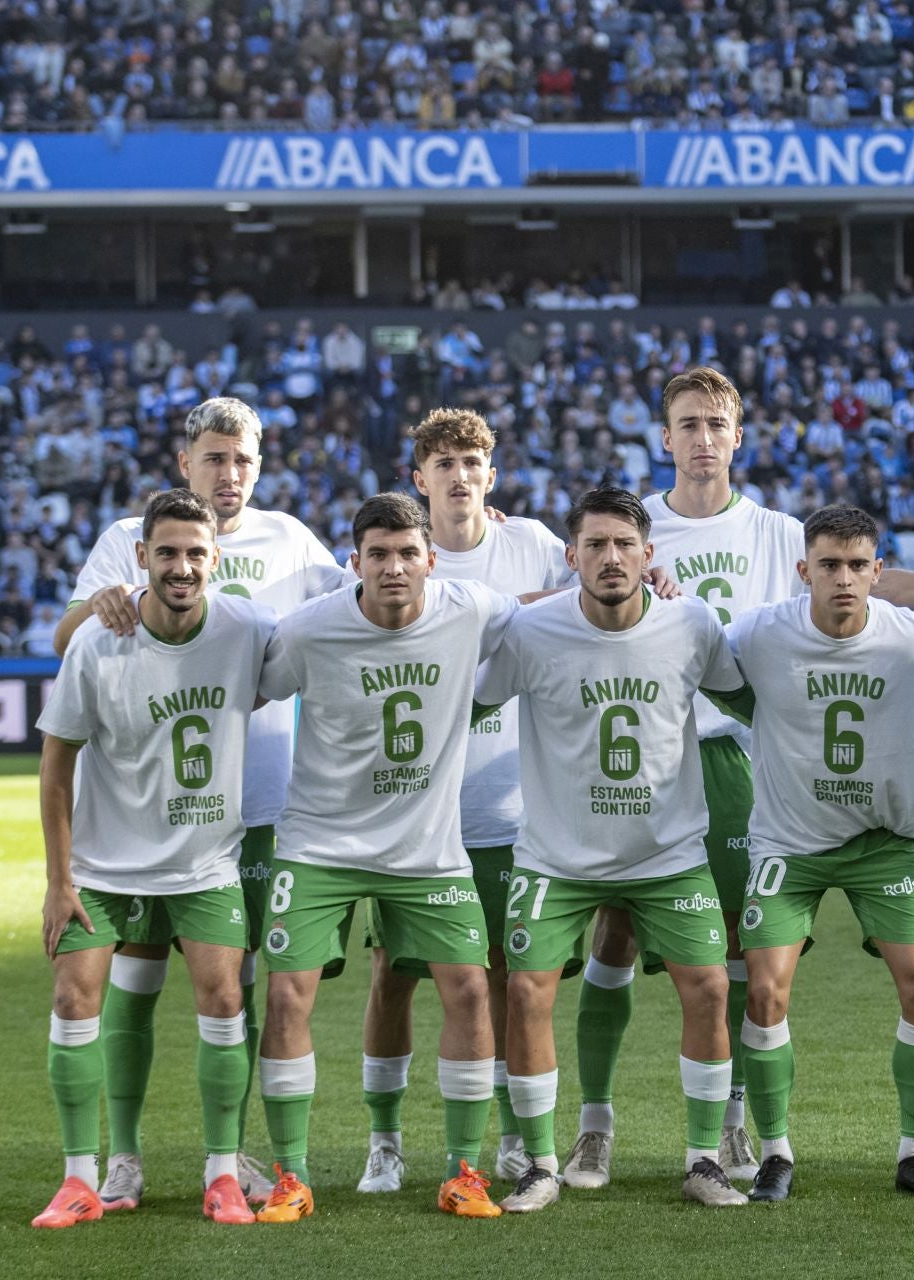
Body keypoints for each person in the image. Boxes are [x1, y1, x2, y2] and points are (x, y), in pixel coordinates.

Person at [567, 369, 914, 1191]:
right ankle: (594, 1128)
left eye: (717, 423)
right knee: (615, 936)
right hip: (642, 752)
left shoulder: (782, 533)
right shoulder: (631, 530)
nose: (703, 437)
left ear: (738, 436)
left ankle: (742, 1121)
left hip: (738, 756)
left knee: (749, 959)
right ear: (663, 436)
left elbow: (878, 588)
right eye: (688, 424)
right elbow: (566, 592)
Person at [56, 397, 349, 1209]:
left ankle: (232, 1151)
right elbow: (64, 638)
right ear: (185, 463)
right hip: (145, 808)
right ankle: (122, 1155)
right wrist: (102, 602)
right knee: (137, 980)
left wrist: (469, 535)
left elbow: (365, 588)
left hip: (261, 801)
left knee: (234, 984)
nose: (229, 474)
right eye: (214, 458)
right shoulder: (131, 536)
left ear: (261, 466)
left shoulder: (291, 540)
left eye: (243, 461)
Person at [473, 486, 751, 1212]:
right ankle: (538, 1164)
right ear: (572, 558)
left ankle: (702, 1160)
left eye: (625, 544)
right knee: (529, 989)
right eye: (594, 545)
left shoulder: (692, 623)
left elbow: (752, 698)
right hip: (556, 856)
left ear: (649, 554)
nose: (610, 557)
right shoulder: (533, 632)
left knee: (711, 986)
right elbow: (467, 705)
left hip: (667, 854)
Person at [252, 492, 519, 1223]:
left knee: (468, 988)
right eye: (379, 554)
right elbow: (248, 687)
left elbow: (542, 607)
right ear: (355, 563)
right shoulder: (309, 630)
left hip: (426, 849)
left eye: (408, 552)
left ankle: (465, 1170)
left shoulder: (469, 607)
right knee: (286, 995)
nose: (394, 567)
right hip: (319, 843)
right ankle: (291, 1174)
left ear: (432, 559)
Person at [32, 489, 275, 1229]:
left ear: (216, 560)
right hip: (105, 867)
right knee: (76, 998)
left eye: (195, 554)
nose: (181, 567)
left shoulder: (247, 629)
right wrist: (58, 880)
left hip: (205, 863)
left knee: (227, 998)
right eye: (166, 553)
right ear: (141, 557)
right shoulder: (99, 644)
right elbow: (55, 765)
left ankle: (223, 1174)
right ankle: (81, 1177)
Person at [353, 410, 574, 1195]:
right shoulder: (399, 552)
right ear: (419, 478)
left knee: (516, 977)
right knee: (395, 973)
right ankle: (384, 1141)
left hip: (515, 810)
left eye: (471, 459)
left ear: (492, 471)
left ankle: (515, 1136)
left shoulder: (539, 543)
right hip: (418, 813)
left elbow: (599, 599)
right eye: (441, 462)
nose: (458, 473)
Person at [729, 505, 914, 1202]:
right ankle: (774, 1152)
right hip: (787, 842)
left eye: (857, 565)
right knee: (766, 987)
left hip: (883, 847)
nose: (843, 578)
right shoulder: (758, 633)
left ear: (877, 571)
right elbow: (701, 660)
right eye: (829, 565)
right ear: (804, 570)